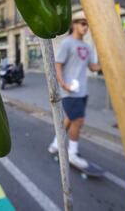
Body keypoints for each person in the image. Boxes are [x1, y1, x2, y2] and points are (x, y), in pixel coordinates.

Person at [48, 11, 101, 169]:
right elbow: (58, 65)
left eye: (87, 24)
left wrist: (105, 59)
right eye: (82, 23)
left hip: (83, 92)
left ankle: (55, 144)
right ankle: (72, 154)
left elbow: (93, 67)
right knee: (78, 121)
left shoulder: (87, 47)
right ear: (75, 25)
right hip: (69, 92)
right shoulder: (67, 43)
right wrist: (63, 84)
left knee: (68, 120)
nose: (85, 27)